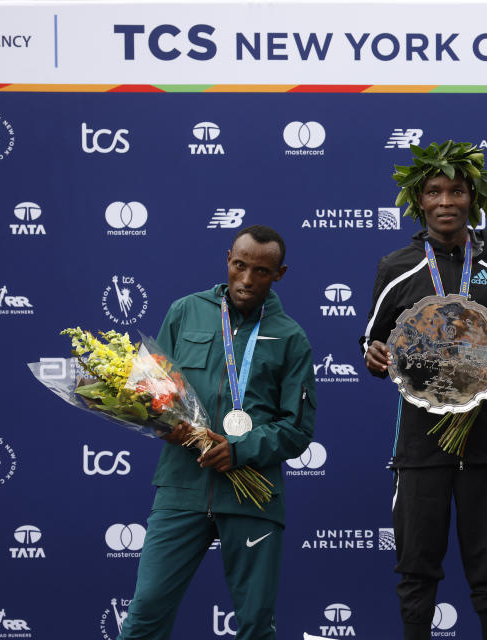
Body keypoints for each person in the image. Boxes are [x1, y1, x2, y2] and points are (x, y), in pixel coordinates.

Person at [361, 142, 487, 640]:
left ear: (473, 198)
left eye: (457, 191)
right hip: (421, 446)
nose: (445, 201)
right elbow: (375, 340)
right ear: (419, 200)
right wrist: (373, 357)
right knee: (416, 569)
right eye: (434, 191)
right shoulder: (397, 265)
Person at [119, 225, 316, 640]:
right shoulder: (184, 311)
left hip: (253, 494)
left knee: (255, 626)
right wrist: (161, 424)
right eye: (240, 266)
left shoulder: (291, 338)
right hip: (181, 487)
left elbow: (297, 430)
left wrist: (240, 451)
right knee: (145, 614)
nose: (246, 280)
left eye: (261, 272)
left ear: (279, 274)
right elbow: (151, 390)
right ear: (228, 258)